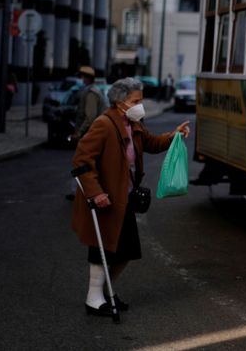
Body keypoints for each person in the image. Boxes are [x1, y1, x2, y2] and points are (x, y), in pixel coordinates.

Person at [71, 77, 190, 317]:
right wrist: (95, 193)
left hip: (123, 199)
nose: (140, 105)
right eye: (135, 100)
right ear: (120, 102)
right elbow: (82, 161)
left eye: (140, 100)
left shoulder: (133, 124)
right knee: (101, 249)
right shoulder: (104, 124)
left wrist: (173, 135)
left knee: (125, 251)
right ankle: (93, 298)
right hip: (105, 199)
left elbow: (152, 143)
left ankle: (107, 291)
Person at [72, 66, 107, 140]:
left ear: (87, 78)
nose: (80, 79)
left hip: (90, 134)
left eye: (81, 77)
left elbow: (90, 117)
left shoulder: (91, 93)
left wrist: (79, 133)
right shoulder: (89, 90)